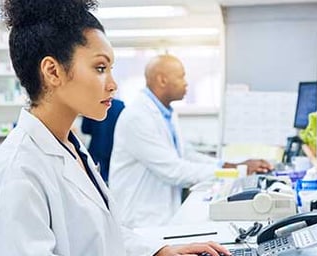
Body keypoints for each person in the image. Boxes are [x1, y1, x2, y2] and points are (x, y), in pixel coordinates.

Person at [0, 1, 230, 256]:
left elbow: (104, 232)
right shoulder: (18, 170)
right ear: (53, 71)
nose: (113, 85)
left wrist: (161, 252)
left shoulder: (69, 146)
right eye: (100, 68)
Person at [109, 54, 274, 228]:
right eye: (181, 76)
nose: (186, 82)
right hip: (141, 220)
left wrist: (229, 164)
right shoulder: (138, 117)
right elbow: (173, 170)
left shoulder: (166, 112)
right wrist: (232, 170)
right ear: (162, 80)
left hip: (160, 215)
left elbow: (185, 154)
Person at [81, 98, 125, 182]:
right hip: (113, 150)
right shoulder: (120, 106)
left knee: (96, 182)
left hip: (96, 150)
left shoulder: (91, 105)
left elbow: (85, 129)